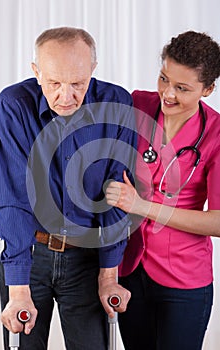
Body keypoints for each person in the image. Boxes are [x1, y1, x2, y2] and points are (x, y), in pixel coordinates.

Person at [0, 27, 136, 350]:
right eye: (54, 83)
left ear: (92, 72)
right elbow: (12, 200)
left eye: (78, 84)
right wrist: (17, 289)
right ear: (36, 72)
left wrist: (109, 275)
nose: (66, 96)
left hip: (87, 258)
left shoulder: (116, 104)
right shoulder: (13, 107)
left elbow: (116, 196)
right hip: (29, 255)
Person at [106, 30, 220, 350]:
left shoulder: (216, 134)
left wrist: (142, 206)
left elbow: (218, 221)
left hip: (184, 279)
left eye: (182, 88)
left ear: (208, 89)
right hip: (129, 269)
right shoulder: (138, 104)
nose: (167, 94)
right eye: (163, 78)